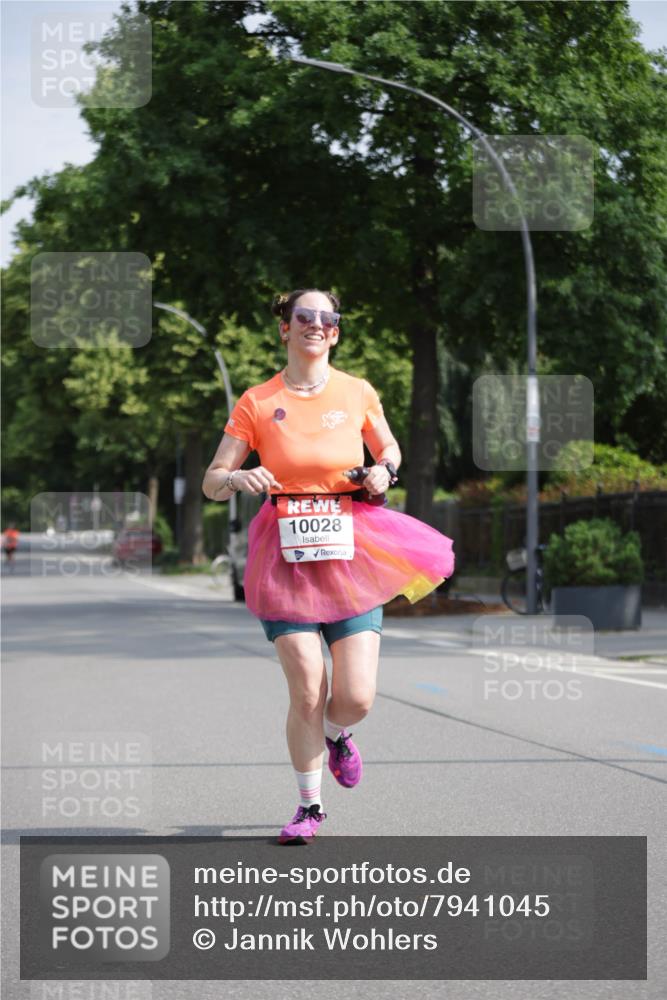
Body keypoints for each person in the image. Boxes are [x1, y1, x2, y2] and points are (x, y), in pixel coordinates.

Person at [202, 289, 454, 844]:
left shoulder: (357, 391)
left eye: (326, 319)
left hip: (352, 549)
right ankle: (309, 808)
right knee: (308, 689)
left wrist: (383, 472)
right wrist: (239, 478)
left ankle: (339, 735)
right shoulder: (258, 401)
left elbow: (389, 451)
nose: (315, 325)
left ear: (335, 332)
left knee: (356, 695)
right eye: (304, 317)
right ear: (285, 329)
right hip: (285, 556)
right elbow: (212, 480)